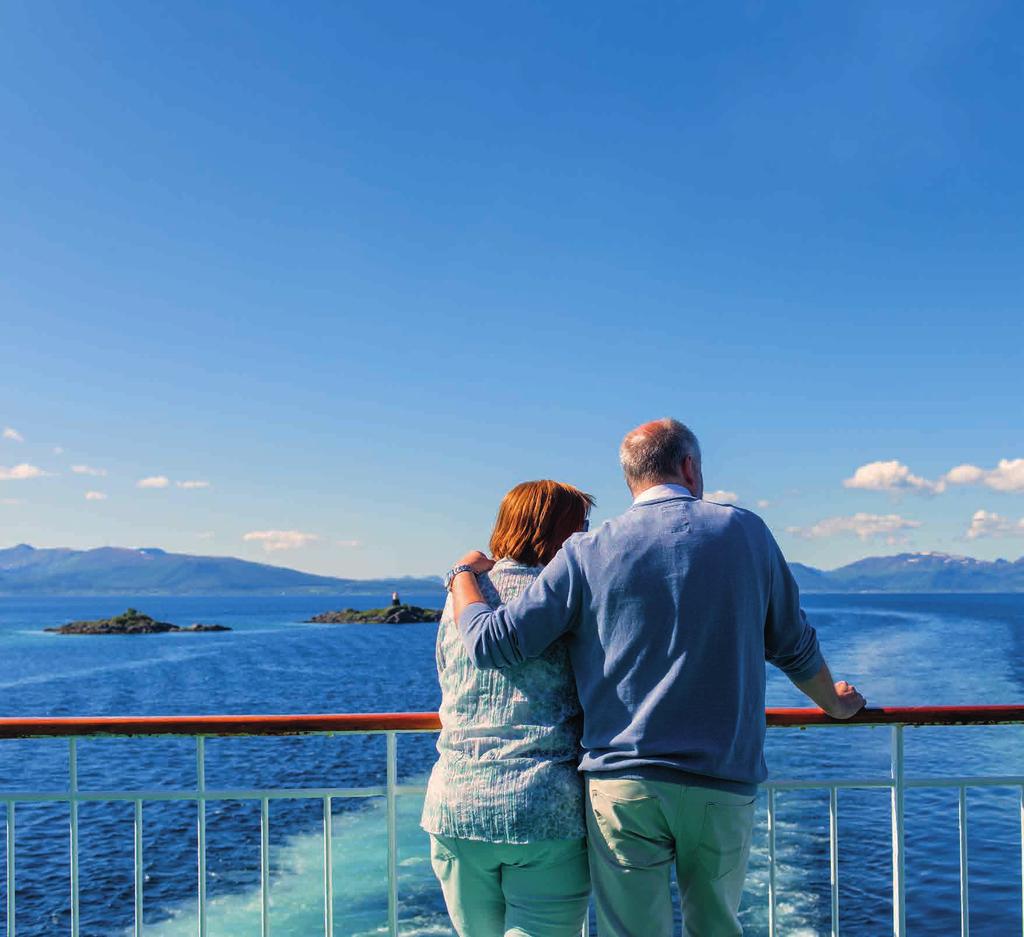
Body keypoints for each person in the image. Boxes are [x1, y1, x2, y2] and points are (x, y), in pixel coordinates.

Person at [445, 419, 865, 937]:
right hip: (721, 778)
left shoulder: (586, 550)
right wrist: (834, 702)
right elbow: (792, 644)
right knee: (716, 926)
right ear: (689, 467)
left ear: (630, 478)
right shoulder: (746, 532)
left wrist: (461, 575)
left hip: (623, 785)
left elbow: (495, 643)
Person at [422, 480, 595, 937]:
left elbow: (445, 672)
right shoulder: (569, 597)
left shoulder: (461, 598)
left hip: (456, 803)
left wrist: (461, 570)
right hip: (542, 806)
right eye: (581, 526)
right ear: (562, 533)